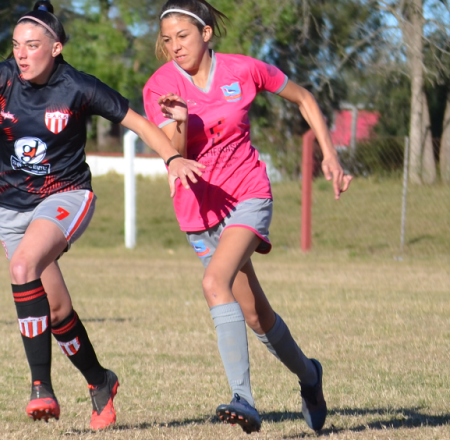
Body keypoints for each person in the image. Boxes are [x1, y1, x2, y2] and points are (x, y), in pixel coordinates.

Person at [0, 1, 204, 429]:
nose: (22, 53)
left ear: (56, 47)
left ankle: (41, 387)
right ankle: (100, 380)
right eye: (17, 45)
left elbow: (142, 125)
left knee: (23, 267)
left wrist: (172, 158)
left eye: (32, 45)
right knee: (55, 312)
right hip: (11, 208)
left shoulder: (79, 86)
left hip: (66, 195)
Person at [143, 0, 353, 434]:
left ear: (205, 34)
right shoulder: (160, 86)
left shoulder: (243, 69)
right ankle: (310, 377)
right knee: (256, 315)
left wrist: (330, 154)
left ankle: (243, 397)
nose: (175, 46)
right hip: (198, 211)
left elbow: (304, 98)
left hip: (247, 195)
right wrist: (179, 120)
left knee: (213, 283)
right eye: (167, 40)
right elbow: (174, 155)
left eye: (183, 36)